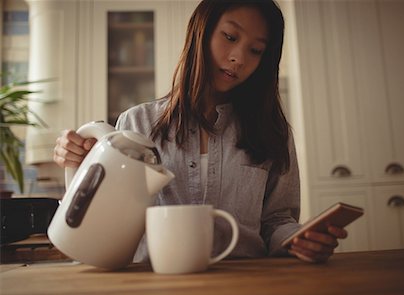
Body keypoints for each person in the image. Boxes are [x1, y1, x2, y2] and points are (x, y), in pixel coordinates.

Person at [53, 0, 347, 263]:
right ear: (201, 33)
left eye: (256, 50)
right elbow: (107, 219)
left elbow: (276, 221)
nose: (239, 58)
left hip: (249, 284)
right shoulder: (136, 123)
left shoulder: (272, 132)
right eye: (230, 37)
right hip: (155, 284)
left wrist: (300, 239)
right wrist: (80, 166)